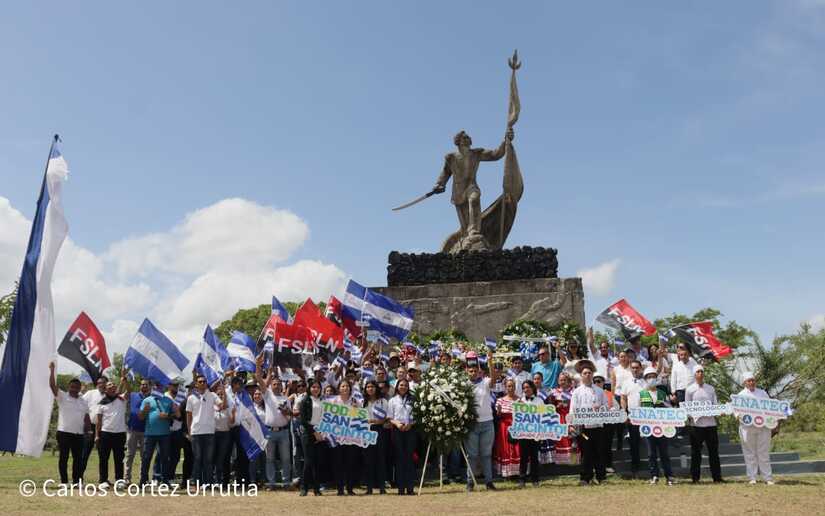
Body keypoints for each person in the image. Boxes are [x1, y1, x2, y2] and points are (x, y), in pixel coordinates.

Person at [48, 362, 90, 485]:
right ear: (69, 387)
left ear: (79, 388)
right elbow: (52, 385)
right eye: (72, 387)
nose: (74, 389)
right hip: (64, 433)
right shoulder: (62, 396)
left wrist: (89, 431)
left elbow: (86, 417)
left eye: (77, 387)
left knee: (78, 459)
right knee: (64, 458)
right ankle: (64, 482)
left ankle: (76, 481)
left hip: (79, 434)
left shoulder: (83, 402)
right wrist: (52, 370)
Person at [464, 352, 500, 491]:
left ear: (479, 371)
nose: (473, 373)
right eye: (470, 370)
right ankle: (470, 482)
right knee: (472, 455)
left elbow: (493, 380)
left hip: (487, 423)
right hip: (472, 424)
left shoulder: (485, 382)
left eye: (475, 370)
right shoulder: (463, 385)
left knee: (486, 454)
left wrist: (490, 361)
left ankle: (489, 482)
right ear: (467, 371)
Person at [256, 359, 292, 490]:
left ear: (282, 386)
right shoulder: (267, 395)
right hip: (269, 432)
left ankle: (286, 482)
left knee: (286, 459)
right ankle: (271, 483)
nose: (276, 386)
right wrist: (258, 365)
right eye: (274, 384)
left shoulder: (286, 399)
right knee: (269, 459)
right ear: (271, 385)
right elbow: (259, 378)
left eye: (278, 384)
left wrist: (286, 412)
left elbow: (290, 417)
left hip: (283, 431)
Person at [569, 366, 608, 485]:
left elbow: (607, 406)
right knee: (586, 453)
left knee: (599, 452)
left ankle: (601, 477)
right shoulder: (577, 392)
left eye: (589, 373)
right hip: (584, 428)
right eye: (585, 373)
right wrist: (571, 424)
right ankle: (585, 477)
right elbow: (573, 409)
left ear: (592, 375)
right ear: (581, 376)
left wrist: (600, 408)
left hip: (598, 426)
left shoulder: (600, 390)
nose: (587, 375)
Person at [685, 367, 723, 483]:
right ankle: (695, 478)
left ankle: (717, 478)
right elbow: (687, 407)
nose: (700, 374)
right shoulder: (689, 390)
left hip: (711, 424)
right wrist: (693, 414)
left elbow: (715, 405)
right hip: (696, 426)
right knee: (696, 453)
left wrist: (720, 411)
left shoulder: (710, 389)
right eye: (698, 372)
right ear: (694, 374)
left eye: (702, 372)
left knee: (713, 452)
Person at [637, 366, 674, 485]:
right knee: (651, 453)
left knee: (664, 453)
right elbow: (638, 411)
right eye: (649, 377)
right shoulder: (641, 394)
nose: (651, 379)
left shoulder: (662, 393)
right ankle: (654, 476)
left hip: (662, 428)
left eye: (653, 376)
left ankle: (669, 476)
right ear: (645, 379)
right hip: (648, 428)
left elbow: (670, 409)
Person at [186, 374, 226, 486]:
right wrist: (189, 432)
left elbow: (222, 406)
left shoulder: (212, 395)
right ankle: (196, 483)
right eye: (200, 381)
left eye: (204, 381)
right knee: (198, 459)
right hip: (196, 432)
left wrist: (224, 393)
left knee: (208, 460)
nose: (202, 383)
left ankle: (208, 483)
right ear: (196, 384)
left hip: (209, 432)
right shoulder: (191, 397)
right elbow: (188, 416)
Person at [737, 371, 775, 485]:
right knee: (749, 452)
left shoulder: (762, 393)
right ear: (745, 382)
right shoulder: (740, 395)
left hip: (763, 427)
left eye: (753, 380)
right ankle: (752, 477)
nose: (752, 382)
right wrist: (739, 416)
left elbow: (771, 408)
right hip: (747, 427)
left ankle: (767, 478)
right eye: (749, 380)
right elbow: (736, 412)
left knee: (763, 452)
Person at [138, 381, 178, 485]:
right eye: (156, 385)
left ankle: (165, 480)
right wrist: (144, 411)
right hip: (149, 434)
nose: (157, 387)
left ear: (164, 387)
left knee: (165, 458)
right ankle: (143, 480)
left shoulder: (169, 400)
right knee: (146, 457)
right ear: (152, 387)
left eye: (160, 385)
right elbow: (141, 417)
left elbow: (176, 416)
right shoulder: (147, 400)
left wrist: (168, 416)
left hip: (164, 434)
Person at [95, 374, 129, 486]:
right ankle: (103, 480)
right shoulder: (101, 403)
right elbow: (98, 421)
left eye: (113, 385)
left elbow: (129, 391)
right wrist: (97, 435)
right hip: (105, 434)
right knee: (104, 458)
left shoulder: (122, 399)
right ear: (105, 389)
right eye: (109, 385)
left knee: (119, 459)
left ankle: (119, 480)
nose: (112, 386)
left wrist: (124, 381)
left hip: (120, 434)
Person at [331, 379, 361, 495]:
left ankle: (349, 487)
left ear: (350, 388)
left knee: (350, 463)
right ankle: (340, 488)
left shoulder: (355, 401)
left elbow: (359, 418)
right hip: (337, 437)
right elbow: (330, 418)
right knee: (338, 463)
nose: (345, 388)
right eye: (342, 386)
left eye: (347, 386)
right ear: (339, 388)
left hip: (351, 437)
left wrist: (355, 409)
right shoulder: (334, 401)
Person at [388, 378, 416, 495]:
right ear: (397, 387)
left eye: (405, 385)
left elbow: (417, 416)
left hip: (410, 430)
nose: (403, 387)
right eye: (401, 385)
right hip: (397, 430)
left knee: (409, 458)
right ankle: (400, 487)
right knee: (399, 458)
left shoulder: (413, 399)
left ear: (408, 387)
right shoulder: (392, 400)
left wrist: (410, 424)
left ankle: (410, 487)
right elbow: (389, 417)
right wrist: (397, 424)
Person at [298, 379, 325, 496]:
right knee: (308, 461)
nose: (315, 389)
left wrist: (321, 432)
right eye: (313, 387)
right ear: (309, 388)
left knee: (317, 462)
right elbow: (303, 420)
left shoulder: (322, 401)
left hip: (320, 432)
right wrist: (314, 433)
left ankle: (316, 488)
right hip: (308, 433)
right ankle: (304, 487)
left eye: (317, 387)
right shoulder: (305, 401)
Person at [619, 360, 645, 477]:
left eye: (637, 368)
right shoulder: (626, 383)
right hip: (632, 416)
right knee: (634, 442)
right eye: (633, 368)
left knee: (648, 442)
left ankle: (650, 466)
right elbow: (623, 398)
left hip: (646, 415)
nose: (635, 370)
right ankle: (635, 466)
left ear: (641, 368)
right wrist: (624, 412)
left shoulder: (646, 382)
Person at [363, 379, 389, 494]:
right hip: (366, 432)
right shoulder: (362, 402)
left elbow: (387, 418)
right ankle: (369, 487)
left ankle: (382, 487)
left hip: (380, 431)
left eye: (372, 386)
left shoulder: (383, 401)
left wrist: (376, 421)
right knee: (368, 460)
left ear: (376, 388)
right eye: (368, 387)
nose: (370, 389)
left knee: (381, 459)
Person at [124, 378, 151, 484]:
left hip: (146, 430)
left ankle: (143, 479)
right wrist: (125, 380)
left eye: (146, 384)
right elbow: (128, 389)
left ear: (149, 386)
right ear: (140, 386)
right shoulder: (133, 395)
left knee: (144, 456)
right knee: (130, 455)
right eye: (142, 384)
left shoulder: (151, 398)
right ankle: (127, 479)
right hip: (132, 429)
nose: (144, 386)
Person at [517, 380, 543, 488]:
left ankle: (535, 479)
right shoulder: (520, 401)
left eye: (528, 387)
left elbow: (542, 416)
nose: (526, 389)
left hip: (535, 433)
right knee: (523, 457)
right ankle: (522, 480)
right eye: (524, 388)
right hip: (523, 433)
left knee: (534, 457)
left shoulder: (539, 401)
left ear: (532, 388)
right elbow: (516, 417)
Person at [493, 378, 520, 478]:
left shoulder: (520, 400)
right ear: (505, 387)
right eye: (508, 386)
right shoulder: (500, 400)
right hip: (504, 427)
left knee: (517, 448)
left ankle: (517, 471)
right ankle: (507, 473)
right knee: (505, 448)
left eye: (512, 386)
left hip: (516, 426)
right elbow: (498, 416)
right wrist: (499, 412)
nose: (510, 388)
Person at [80, 375, 107, 477]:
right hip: (90, 427)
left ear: (106, 384)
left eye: (103, 382)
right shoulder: (91, 393)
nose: (101, 385)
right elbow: (81, 402)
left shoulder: (110, 395)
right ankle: (79, 477)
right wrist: (82, 391)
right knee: (85, 453)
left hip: (104, 428)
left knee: (103, 455)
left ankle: (103, 480)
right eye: (99, 383)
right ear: (97, 384)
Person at [548, 372, 575, 464]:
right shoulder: (554, 392)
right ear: (558, 381)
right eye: (561, 380)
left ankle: (573, 459)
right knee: (560, 438)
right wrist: (556, 406)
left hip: (570, 417)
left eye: (564, 380)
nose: (562, 382)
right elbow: (550, 406)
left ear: (568, 381)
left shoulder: (573, 391)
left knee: (571, 437)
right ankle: (561, 460)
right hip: (558, 418)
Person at [213, 381, 235, 486]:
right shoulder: (212, 407)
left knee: (223, 459)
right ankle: (214, 481)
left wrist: (233, 415)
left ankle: (223, 481)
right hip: (214, 435)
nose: (220, 396)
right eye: (218, 394)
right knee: (213, 458)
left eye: (222, 394)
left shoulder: (227, 407)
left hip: (225, 435)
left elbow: (231, 423)